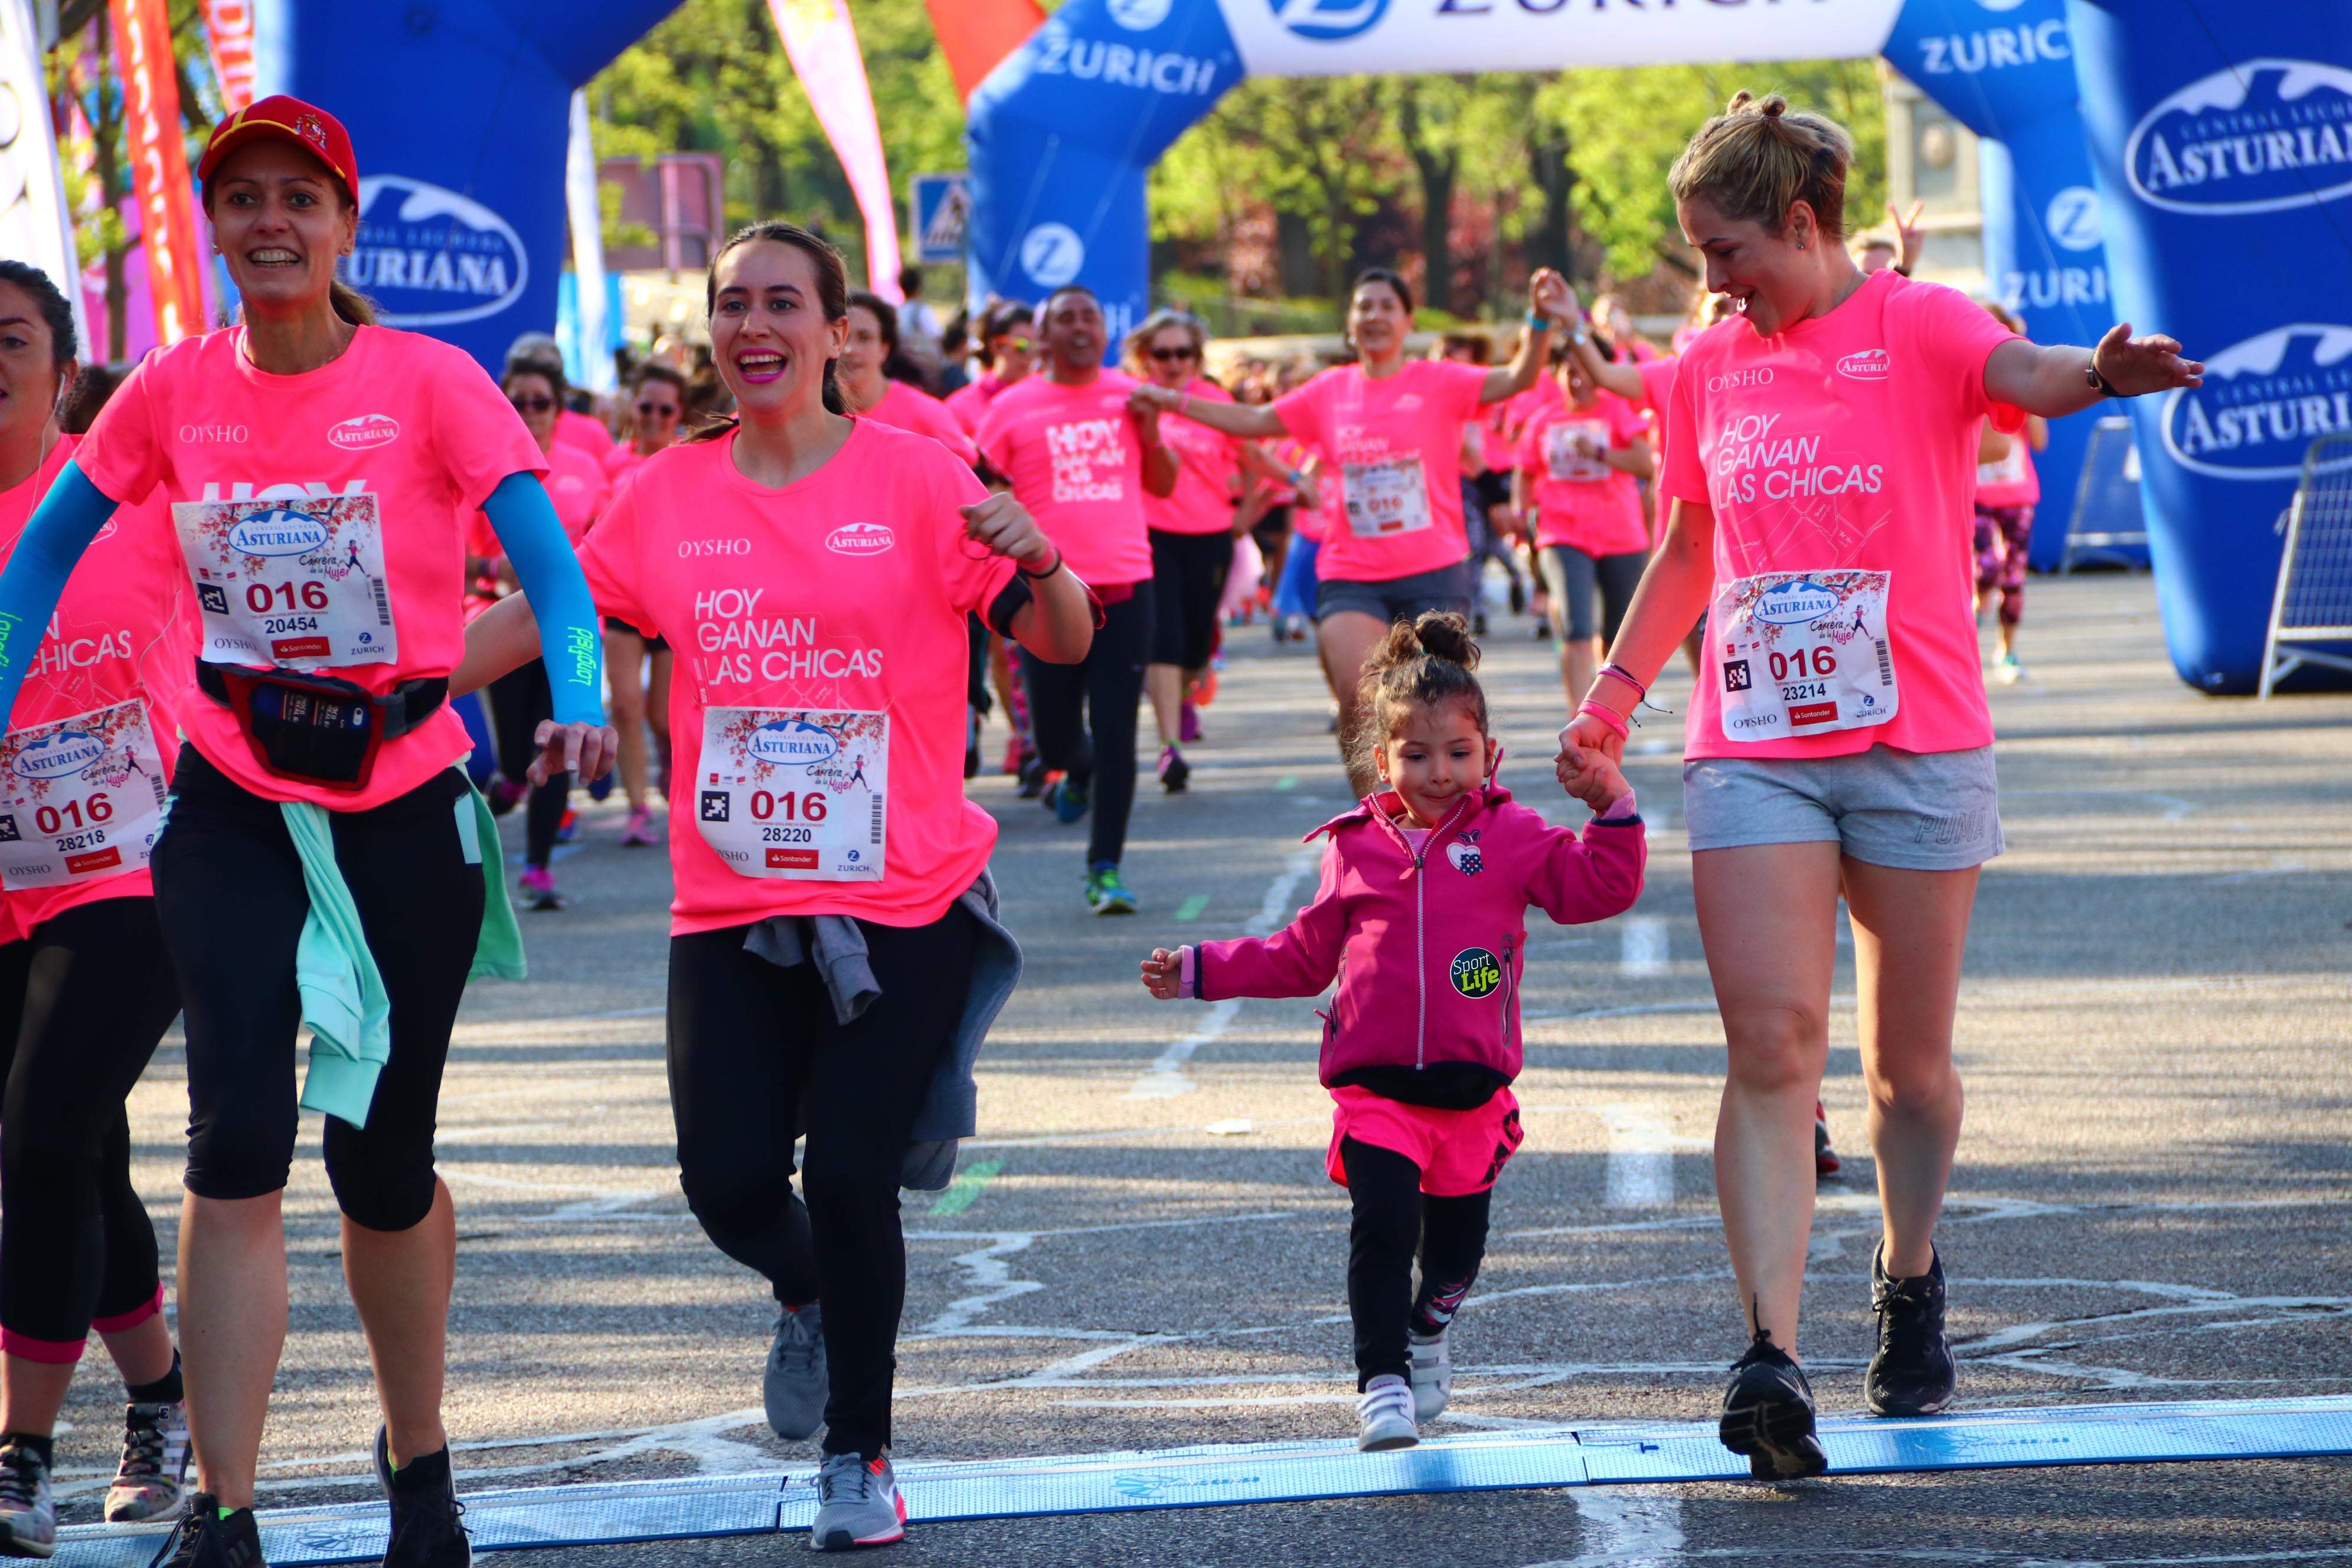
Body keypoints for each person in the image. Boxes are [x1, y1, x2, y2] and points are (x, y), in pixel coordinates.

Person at [0, 97, 616, 1568]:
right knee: (236, 1144)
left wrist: (578, 695)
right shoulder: (168, 390)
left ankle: (419, 1460)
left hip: (405, 798)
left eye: (299, 198)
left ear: (343, 224)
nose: (269, 223)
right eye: (242, 200)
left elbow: (544, 555)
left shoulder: (430, 380)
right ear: (216, 227)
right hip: (232, 800)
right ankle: (224, 1506)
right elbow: (38, 558)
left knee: (382, 1159)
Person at [1555, 91, 2201, 1481]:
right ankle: (1768, 1354)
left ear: (1805, 222)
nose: (1713, 282)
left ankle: (1908, 1277)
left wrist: (2101, 376)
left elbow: (2024, 374)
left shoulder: (1921, 319)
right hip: (1753, 747)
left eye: (1729, 250)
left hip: (1917, 744)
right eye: (1699, 256)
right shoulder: (1707, 363)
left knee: (1907, 1074)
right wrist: (1612, 698)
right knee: (1774, 1043)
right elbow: (1685, 541)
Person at [457, 220, 1093, 1554]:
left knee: (854, 1169)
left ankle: (861, 1451)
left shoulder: (920, 477)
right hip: (734, 901)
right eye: (734, 304)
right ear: (713, 332)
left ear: (832, 328)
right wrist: (395, 683)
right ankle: (804, 1292)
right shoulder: (665, 493)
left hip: (901, 891)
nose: (757, 325)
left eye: (784, 303)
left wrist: (1039, 555)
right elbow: (556, 611)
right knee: (728, 1181)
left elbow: (1061, 634)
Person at [1141, 613, 1644, 1450]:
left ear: (1490, 755)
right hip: (1375, 1092)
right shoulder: (1354, 850)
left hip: (1472, 1096)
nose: (1438, 772)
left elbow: (1598, 889)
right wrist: (1200, 968)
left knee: (1452, 1259)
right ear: (1382, 761)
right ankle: (1381, 1384)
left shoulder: (1514, 837)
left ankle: (1427, 1327)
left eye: (1457, 754)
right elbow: (1301, 957)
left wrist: (1614, 804)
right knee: (1380, 1227)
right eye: (1415, 755)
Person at [0, 262, 195, 1558]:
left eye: (9, 337)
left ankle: (18, 1455)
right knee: (74, 1153)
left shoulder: (144, 493)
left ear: (64, 369)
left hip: (137, 870)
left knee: (42, 1133)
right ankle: (160, 1404)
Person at [1134, 264, 1573, 797]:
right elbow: (1252, 421)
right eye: (1364, 306)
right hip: (1352, 572)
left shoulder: (1440, 382)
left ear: (1408, 321)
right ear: (1350, 323)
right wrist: (1169, 400)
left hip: (1433, 569)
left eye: (1388, 306)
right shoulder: (1329, 391)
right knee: (1359, 695)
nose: (1375, 316)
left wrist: (1539, 321)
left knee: (1444, 707)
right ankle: (1378, 823)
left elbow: (1519, 377)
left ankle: (1455, 819)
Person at [974, 285, 1177, 914]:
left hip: (1126, 585)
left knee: (1118, 733)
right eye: (1065, 317)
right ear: (1043, 334)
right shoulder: (1011, 407)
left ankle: (1105, 868)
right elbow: (983, 490)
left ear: (1106, 329)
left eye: (1091, 314)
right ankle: (1076, 773)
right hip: (1049, 594)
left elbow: (1164, 485)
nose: (1080, 326)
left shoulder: (1130, 396)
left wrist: (1150, 432)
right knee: (1057, 742)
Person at [1124, 309, 1298, 790]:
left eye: (1184, 353)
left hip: (1210, 536)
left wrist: (1290, 486)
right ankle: (1167, 748)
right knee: (1164, 638)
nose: (1174, 362)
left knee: (1198, 645)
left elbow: (1254, 458)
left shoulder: (1213, 402)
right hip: (1151, 534)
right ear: (1145, 358)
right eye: (1163, 353)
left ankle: (1178, 695)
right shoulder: (1130, 402)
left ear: (1197, 358)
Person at [477, 360, 610, 909]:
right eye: (519, 402)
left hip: (570, 631)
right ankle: (509, 781)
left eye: (540, 403)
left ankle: (537, 867)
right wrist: (494, 571)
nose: (529, 414)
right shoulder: (484, 470)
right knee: (514, 754)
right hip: (499, 627)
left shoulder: (584, 467)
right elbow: (453, 556)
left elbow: (605, 542)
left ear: (559, 409)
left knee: (555, 741)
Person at [1514, 344, 1654, 713]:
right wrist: (1518, 511)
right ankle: (1580, 715)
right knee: (1575, 625)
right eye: (1568, 372)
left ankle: (1607, 713)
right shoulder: (1544, 420)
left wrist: (1599, 453)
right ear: (1557, 376)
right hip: (1562, 534)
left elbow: (1645, 464)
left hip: (1621, 535)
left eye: (1584, 371)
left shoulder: (1617, 410)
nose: (1577, 380)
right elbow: (1525, 472)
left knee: (1617, 639)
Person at [603, 364, 689, 844]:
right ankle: (637, 807)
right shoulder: (613, 463)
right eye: (646, 407)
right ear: (632, 407)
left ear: (678, 413)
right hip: (622, 599)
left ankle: (672, 769)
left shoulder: (689, 459)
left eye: (665, 409)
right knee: (626, 708)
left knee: (664, 716)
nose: (654, 417)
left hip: (673, 602)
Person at [1973, 302, 2046, 684]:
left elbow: (2039, 441)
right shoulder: (1965, 379)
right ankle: (1976, 603)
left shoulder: (2021, 384)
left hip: (2018, 495)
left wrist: (2029, 400)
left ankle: (2007, 649)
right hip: (1977, 495)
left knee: (2014, 577)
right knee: (1987, 567)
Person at [838, 292, 978, 465]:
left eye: (865, 338)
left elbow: (972, 479)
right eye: (842, 337)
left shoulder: (925, 414)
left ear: (885, 349)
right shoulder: (813, 418)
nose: (850, 349)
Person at [508, 332, 615, 460]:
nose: (530, 410)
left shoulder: (593, 433)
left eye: (541, 402)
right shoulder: (494, 444)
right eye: (519, 402)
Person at [944, 302, 1035, 436]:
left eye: (1035, 345)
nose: (1029, 354)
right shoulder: (959, 408)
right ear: (996, 346)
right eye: (1021, 345)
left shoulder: (1046, 402)